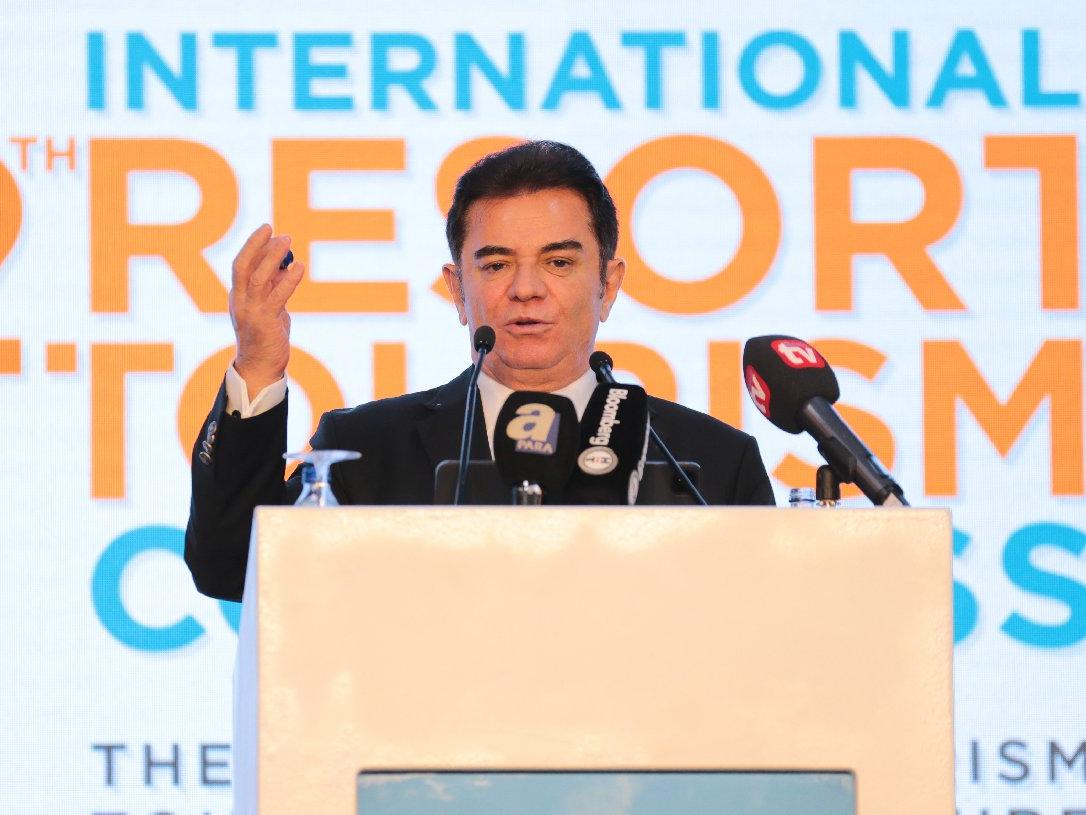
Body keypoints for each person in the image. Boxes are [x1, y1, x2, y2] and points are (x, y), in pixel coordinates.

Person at [185, 141, 774, 602]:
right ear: (457, 290)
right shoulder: (367, 451)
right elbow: (229, 567)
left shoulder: (714, 463)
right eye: (495, 265)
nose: (526, 289)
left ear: (609, 285)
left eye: (559, 262)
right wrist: (258, 363)